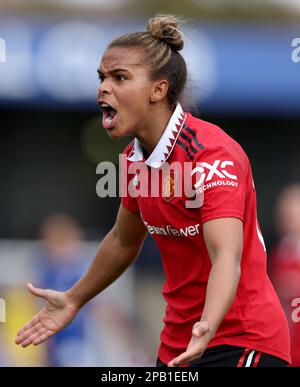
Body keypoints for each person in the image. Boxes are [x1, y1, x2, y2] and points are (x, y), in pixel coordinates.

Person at [15, 14, 290, 367]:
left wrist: (208, 324)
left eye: (119, 78)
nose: (103, 87)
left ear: (158, 90)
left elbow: (227, 257)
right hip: (177, 344)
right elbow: (123, 240)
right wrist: (74, 299)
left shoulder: (211, 154)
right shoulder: (133, 159)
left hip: (240, 340)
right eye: (102, 78)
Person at [269, 184, 300, 366]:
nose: (288, 219)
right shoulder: (278, 254)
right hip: (285, 343)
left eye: (293, 214)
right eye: (285, 214)